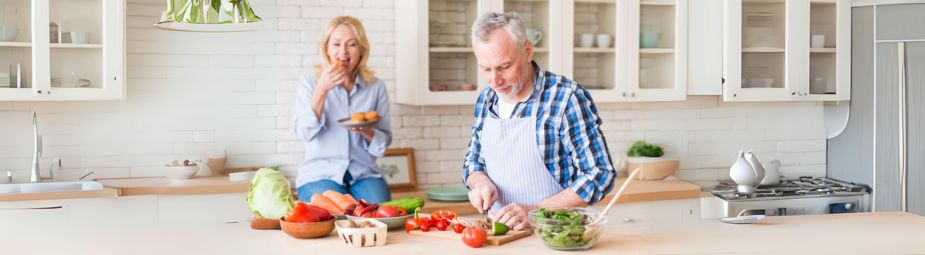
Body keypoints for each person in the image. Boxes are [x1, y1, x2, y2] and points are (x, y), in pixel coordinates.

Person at [462, 12, 617, 230]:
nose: (494, 81)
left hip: (557, 235)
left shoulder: (565, 98)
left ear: (527, 51)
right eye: (486, 69)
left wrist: (536, 210)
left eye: (504, 67)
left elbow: (600, 174)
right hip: (498, 235)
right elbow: (473, 163)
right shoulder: (486, 100)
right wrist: (481, 184)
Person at [293, 16, 392, 204]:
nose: (343, 52)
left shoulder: (376, 87)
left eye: (352, 44)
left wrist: (367, 130)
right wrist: (321, 90)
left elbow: (384, 141)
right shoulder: (310, 82)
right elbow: (305, 133)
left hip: (364, 173)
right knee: (336, 215)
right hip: (319, 173)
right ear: (327, 49)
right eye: (336, 44)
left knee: (379, 216)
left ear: (361, 49)